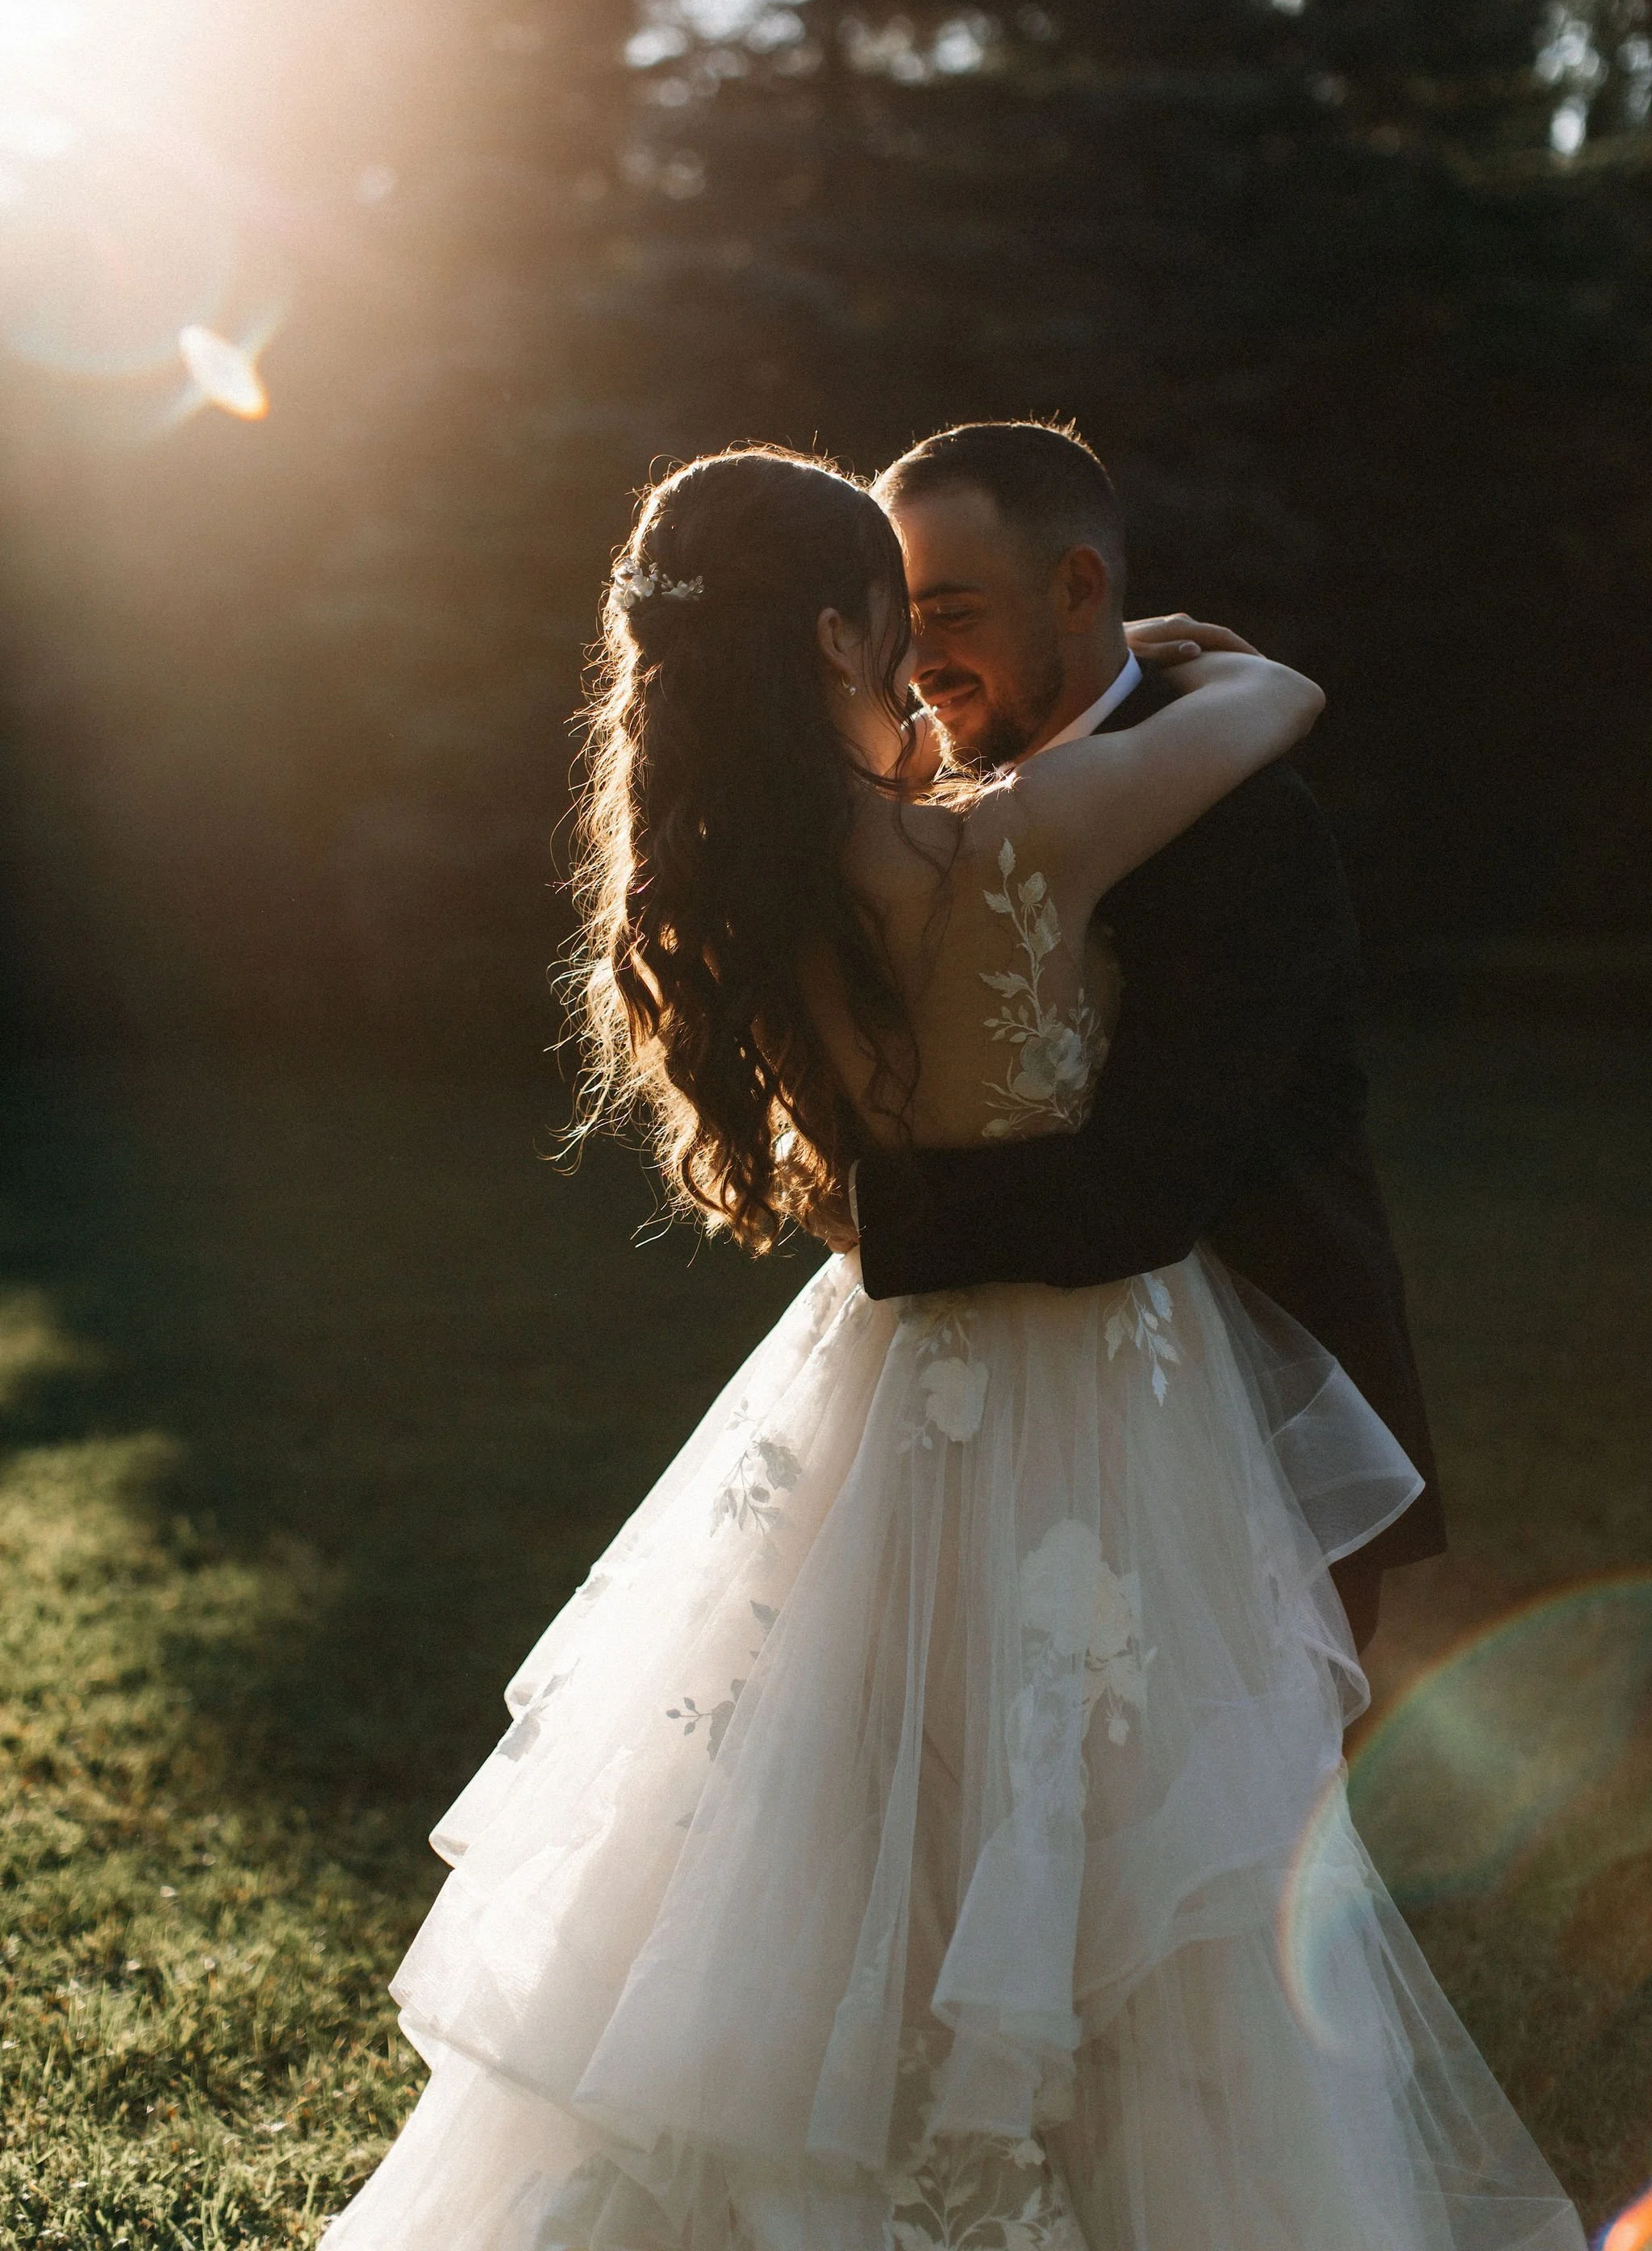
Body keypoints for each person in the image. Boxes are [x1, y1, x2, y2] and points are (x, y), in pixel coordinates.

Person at [319, 447, 1582, 2251]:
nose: (925, 662)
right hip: (1098, 1395)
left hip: (876, 1386)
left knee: (840, 1821)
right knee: (1107, 1846)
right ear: (840, 634)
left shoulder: (757, 874)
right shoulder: (1004, 841)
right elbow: (1278, 699)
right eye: (895, 623)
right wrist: (1199, 652)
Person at [848, 421, 1446, 1656]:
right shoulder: (941, 801)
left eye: (951, 611)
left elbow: (1143, 1190)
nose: (917, 663)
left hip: (1247, 1436)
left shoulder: (1237, 813)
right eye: (898, 620)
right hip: (996, 1418)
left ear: (1078, 587)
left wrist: (855, 1209)